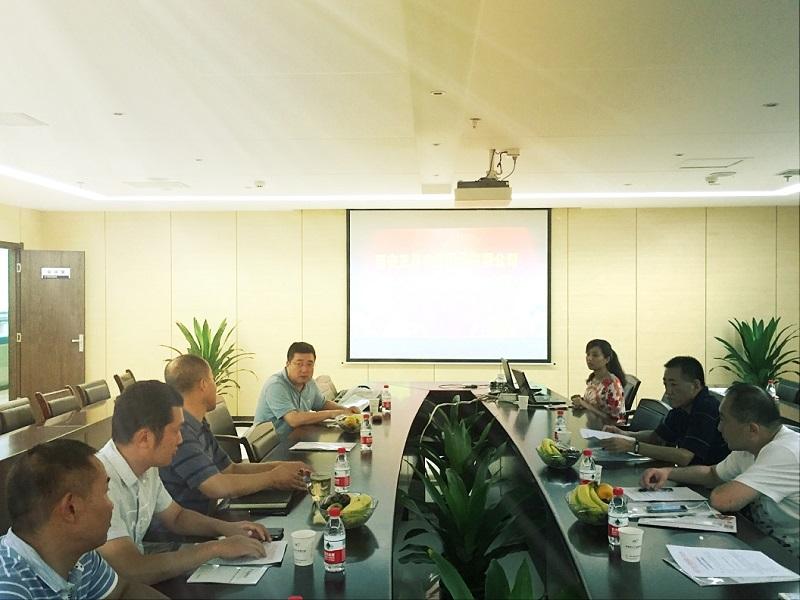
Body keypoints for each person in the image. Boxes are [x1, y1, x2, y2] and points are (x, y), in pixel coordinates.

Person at [96, 380, 269, 585]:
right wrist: (215, 548)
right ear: (144, 438)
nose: (180, 439)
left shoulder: (147, 466)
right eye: (175, 430)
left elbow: (176, 517)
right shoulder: (99, 484)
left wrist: (227, 528)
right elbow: (131, 569)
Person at [641, 383, 799, 557]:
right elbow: (712, 474)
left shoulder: (785, 452)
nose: (719, 428)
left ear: (752, 429)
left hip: (789, 557)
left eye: (724, 420)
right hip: (762, 543)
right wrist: (668, 472)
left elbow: (723, 500)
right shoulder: (751, 445)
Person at [0, 439, 164, 599]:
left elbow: (124, 592)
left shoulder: (80, 556)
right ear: (71, 509)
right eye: (105, 492)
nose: (111, 505)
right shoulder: (9, 589)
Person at [160, 354, 310, 514]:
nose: (215, 387)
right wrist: (273, 478)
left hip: (209, 515)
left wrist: (279, 466)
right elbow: (216, 486)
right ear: (204, 384)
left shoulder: (198, 423)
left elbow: (229, 469)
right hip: (193, 524)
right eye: (213, 380)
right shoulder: (180, 432)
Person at [600, 356, 729, 466]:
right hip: (691, 474)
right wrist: (624, 434)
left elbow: (685, 456)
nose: (668, 392)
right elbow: (656, 437)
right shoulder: (682, 407)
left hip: (710, 481)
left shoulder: (707, 408)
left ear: (695, 385)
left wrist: (634, 447)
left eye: (674, 385)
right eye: (666, 384)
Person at [255, 341, 358, 437]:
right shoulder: (276, 385)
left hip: (297, 438)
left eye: (309, 364)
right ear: (288, 363)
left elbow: (322, 404)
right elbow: (293, 420)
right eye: (299, 364)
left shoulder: (309, 382)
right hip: (273, 445)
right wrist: (332, 414)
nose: (304, 370)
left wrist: (346, 410)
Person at [570, 339, 626, 424]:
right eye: (588, 354)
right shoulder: (593, 379)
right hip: (592, 425)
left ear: (607, 359)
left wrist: (585, 405)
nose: (589, 358)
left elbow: (613, 420)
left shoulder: (612, 384)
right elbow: (594, 405)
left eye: (595, 355)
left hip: (608, 429)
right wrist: (581, 402)